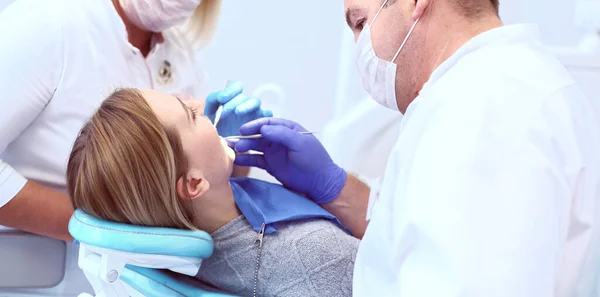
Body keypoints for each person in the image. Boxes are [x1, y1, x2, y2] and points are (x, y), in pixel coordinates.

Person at [232, 0, 600, 296]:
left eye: (360, 24)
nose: (360, 46)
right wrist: (336, 187)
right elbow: (426, 231)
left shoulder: (483, 110)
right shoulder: (489, 89)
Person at [0, 0, 269, 242]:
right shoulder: (43, 24)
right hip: (37, 269)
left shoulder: (179, 53)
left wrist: (231, 150)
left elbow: (199, 188)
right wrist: (96, 229)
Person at [66, 88, 358, 297]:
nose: (199, 103)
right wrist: (336, 187)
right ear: (194, 184)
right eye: (191, 115)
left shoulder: (188, 250)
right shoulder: (314, 255)